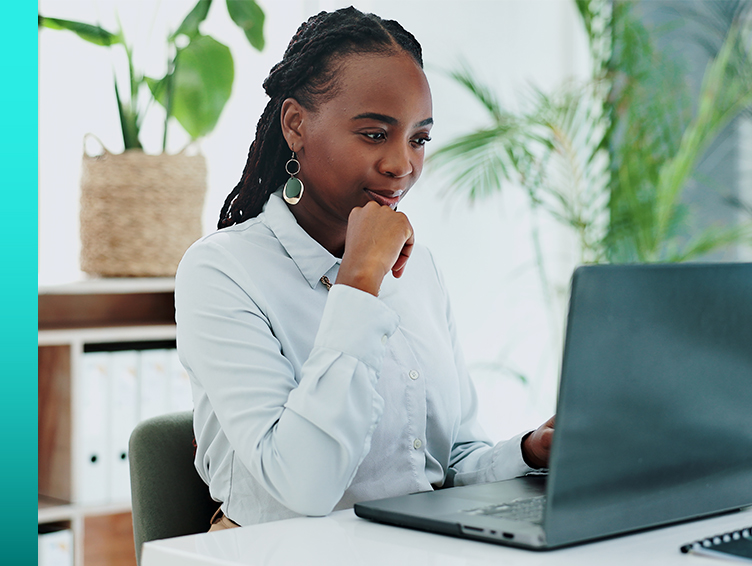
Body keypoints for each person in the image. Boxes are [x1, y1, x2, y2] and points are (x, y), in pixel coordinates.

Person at [175, 6, 554, 531]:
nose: (402, 165)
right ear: (295, 124)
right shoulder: (221, 272)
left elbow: (448, 466)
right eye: (376, 134)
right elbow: (302, 488)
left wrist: (530, 453)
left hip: (411, 546)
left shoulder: (419, 270)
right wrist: (359, 282)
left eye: (419, 138)